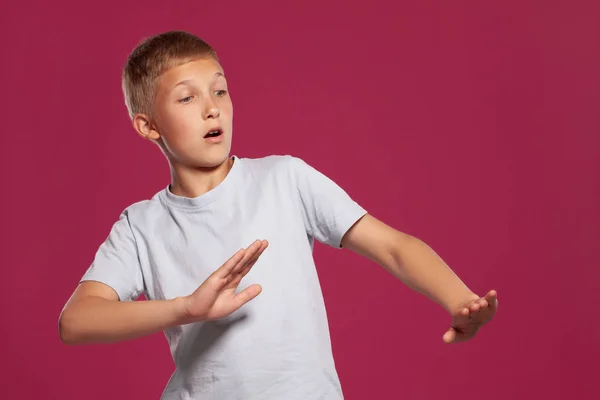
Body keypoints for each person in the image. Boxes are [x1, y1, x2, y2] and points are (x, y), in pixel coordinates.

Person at [58, 30, 498, 399]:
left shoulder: (284, 178)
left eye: (220, 89)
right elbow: (76, 322)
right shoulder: (141, 225)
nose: (212, 107)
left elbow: (393, 246)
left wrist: (460, 299)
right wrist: (186, 308)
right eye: (187, 97)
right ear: (148, 125)